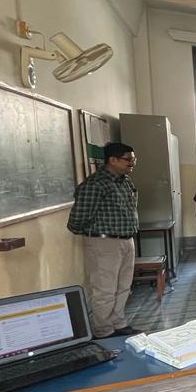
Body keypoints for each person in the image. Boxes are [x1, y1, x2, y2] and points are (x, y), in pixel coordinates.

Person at [66, 142, 140, 339]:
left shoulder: (125, 182)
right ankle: (104, 330)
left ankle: (119, 323)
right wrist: (96, 234)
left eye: (134, 159)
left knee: (124, 286)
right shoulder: (95, 185)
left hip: (126, 240)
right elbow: (76, 220)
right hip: (104, 243)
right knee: (105, 289)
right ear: (112, 160)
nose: (132, 163)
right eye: (128, 159)